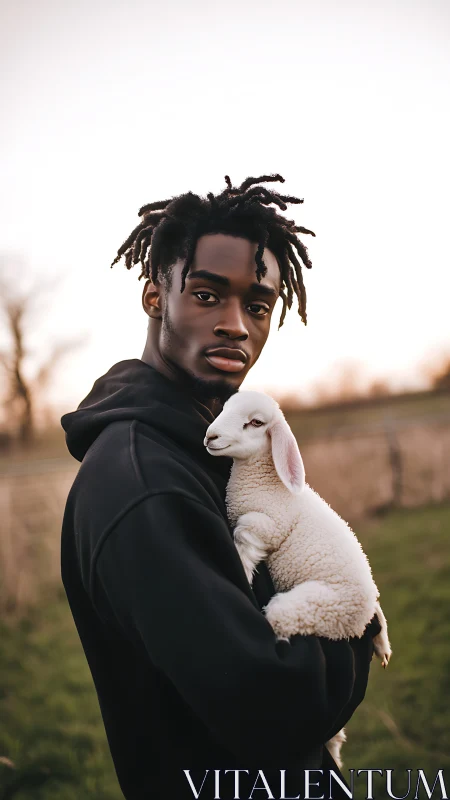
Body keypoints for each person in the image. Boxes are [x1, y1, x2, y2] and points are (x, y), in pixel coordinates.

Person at [61, 174, 380, 800]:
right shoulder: (144, 484)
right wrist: (356, 626)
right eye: (207, 295)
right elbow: (267, 702)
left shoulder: (211, 443)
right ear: (155, 296)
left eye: (257, 306)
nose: (236, 324)